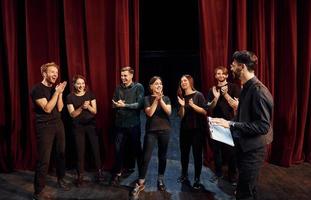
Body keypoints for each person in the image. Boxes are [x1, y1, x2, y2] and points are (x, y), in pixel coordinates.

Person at [210, 50, 273, 200]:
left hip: (253, 151)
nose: (230, 68)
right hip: (244, 147)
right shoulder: (246, 87)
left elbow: (263, 126)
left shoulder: (258, 91)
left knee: (245, 193)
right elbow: (246, 116)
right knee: (247, 190)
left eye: (233, 65)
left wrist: (230, 124)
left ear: (242, 67)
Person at [30, 62, 70, 200]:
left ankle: (61, 179)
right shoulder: (37, 89)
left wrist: (59, 94)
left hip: (58, 123)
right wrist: (57, 92)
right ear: (44, 73)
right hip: (45, 126)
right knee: (44, 159)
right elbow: (47, 108)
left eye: (56, 72)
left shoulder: (55, 89)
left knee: (61, 154)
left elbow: (59, 108)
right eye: (52, 72)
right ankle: (38, 191)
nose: (55, 75)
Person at [131, 76, 172, 197]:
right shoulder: (146, 99)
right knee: (146, 157)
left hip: (165, 130)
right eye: (156, 84)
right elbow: (149, 113)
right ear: (151, 87)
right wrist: (155, 100)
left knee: (162, 156)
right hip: (151, 132)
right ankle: (141, 182)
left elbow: (169, 112)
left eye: (161, 83)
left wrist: (161, 100)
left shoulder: (167, 98)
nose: (159, 85)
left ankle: (160, 179)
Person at [66, 74, 104, 187]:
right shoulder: (70, 97)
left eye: (82, 83)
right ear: (74, 84)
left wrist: (88, 107)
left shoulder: (90, 94)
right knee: (80, 151)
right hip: (78, 127)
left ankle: (99, 172)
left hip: (90, 126)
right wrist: (82, 107)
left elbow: (95, 111)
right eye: (78, 83)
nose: (81, 85)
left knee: (95, 149)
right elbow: (72, 114)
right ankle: (80, 175)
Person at [207, 66, 240, 185]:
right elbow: (209, 108)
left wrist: (225, 94)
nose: (220, 76)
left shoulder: (234, 87)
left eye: (223, 74)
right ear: (215, 76)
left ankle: (233, 176)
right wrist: (215, 98)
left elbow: (236, 106)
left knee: (231, 151)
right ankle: (218, 173)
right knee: (217, 151)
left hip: (229, 123)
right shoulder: (212, 90)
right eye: (218, 74)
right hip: (215, 123)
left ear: (226, 75)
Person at [111, 66, 144, 185]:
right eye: (121, 75)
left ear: (131, 75)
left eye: (125, 75)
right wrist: (117, 104)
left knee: (137, 150)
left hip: (133, 124)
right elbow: (113, 104)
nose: (123, 78)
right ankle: (118, 173)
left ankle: (141, 175)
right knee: (118, 149)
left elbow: (139, 105)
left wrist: (124, 105)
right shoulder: (118, 88)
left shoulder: (138, 87)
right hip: (120, 124)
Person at [177, 74, 208, 190]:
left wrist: (193, 105)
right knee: (184, 154)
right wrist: (182, 106)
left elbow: (204, 111)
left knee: (196, 155)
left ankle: (197, 178)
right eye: (181, 81)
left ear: (190, 82)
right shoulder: (181, 96)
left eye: (185, 80)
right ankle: (184, 174)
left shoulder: (198, 95)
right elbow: (181, 116)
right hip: (184, 130)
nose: (183, 83)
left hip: (197, 131)